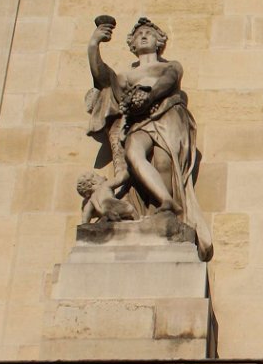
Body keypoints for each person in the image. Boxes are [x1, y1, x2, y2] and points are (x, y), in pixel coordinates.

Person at [85, 15, 213, 259]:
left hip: (168, 116)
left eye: (149, 33)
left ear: (159, 41)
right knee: (133, 153)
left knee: (164, 163)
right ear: (132, 44)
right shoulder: (124, 77)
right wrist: (94, 45)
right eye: (138, 34)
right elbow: (103, 78)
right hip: (139, 122)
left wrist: (149, 95)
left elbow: (167, 82)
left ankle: (167, 209)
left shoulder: (170, 65)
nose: (143, 36)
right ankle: (167, 201)